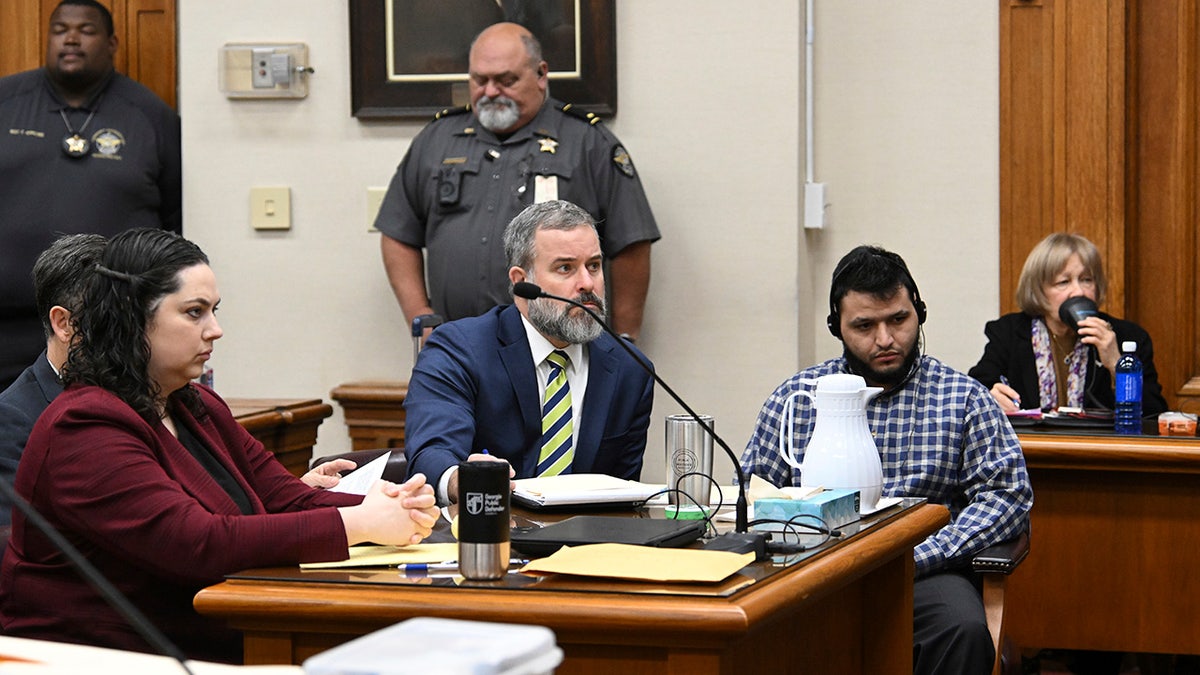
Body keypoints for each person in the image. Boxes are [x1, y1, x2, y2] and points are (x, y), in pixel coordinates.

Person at [0, 229, 440, 662]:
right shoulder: (83, 424)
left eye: (214, 310)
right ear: (131, 318)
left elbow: (286, 498)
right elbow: (198, 543)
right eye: (194, 313)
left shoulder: (193, 403)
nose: (216, 330)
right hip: (105, 658)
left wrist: (399, 506)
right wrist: (360, 524)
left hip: (208, 636)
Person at [741, 245, 1033, 675]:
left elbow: (1007, 497)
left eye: (898, 319)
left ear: (920, 312)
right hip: (808, 573)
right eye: (864, 325)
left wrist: (921, 556)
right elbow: (749, 494)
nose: (885, 339)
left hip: (925, 572)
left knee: (963, 629)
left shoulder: (963, 398)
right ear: (836, 327)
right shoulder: (796, 398)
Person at [375, 21, 659, 341]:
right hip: (457, 343)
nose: (491, 91)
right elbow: (398, 233)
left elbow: (631, 242)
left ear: (541, 74)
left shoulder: (588, 143)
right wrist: (420, 316)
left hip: (557, 344)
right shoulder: (437, 140)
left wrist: (623, 339)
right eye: (480, 80)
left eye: (506, 80)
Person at [403, 200, 655, 504]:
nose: (587, 284)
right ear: (521, 283)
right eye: (565, 268)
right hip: (487, 535)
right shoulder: (458, 350)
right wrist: (464, 479)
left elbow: (624, 492)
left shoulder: (630, 368)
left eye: (594, 266)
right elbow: (431, 456)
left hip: (587, 544)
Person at [0, 0, 182, 390]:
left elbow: (173, 222)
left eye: (86, 30)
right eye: (61, 29)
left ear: (113, 42)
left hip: (109, 330)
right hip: (7, 326)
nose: (71, 38)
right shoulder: (6, 102)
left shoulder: (152, 116)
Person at [969, 232, 1167, 416]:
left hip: (1101, 450)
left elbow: (1153, 415)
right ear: (1039, 290)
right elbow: (974, 393)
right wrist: (991, 397)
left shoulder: (1128, 336)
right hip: (1030, 448)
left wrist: (1118, 365)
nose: (1078, 292)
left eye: (1087, 280)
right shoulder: (1008, 333)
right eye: (1063, 282)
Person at [0, 234, 105, 528]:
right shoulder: (12, 420)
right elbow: (15, 543)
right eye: (111, 319)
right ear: (64, 324)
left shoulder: (142, 396)